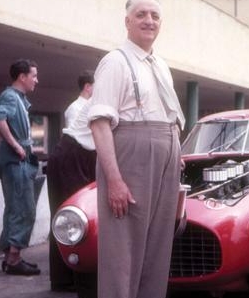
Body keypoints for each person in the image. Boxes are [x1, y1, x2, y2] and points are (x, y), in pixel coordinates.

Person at [87, 1, 185, 297]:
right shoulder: (115, 62)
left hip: (166, 156)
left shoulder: (161, 65)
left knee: (157, 250)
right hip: (131, 156)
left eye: (155, 15)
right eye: (141, 14)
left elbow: (171, 115)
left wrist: (174, 150)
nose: (149, 21)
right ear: (127, 21)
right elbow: (100, 124)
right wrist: (114, 180)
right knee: (123, 253)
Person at [46, 71, 96, 294]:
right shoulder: (86, 105)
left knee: (68, 217)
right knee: (72, 219)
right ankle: (67, 278)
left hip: (75, 155)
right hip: (73, 156)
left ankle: (65, 278)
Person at [0, 59, 41, 276]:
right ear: (22, 77)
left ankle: (11, 257)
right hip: (15, 162)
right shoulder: (10, 96)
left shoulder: (18, 98)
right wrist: (16, 146)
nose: (36, 80)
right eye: (34, 76)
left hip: (17, 161)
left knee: (15, 208)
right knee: (24, 209)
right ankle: (13, 259)